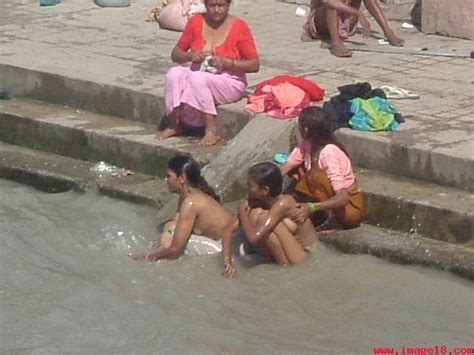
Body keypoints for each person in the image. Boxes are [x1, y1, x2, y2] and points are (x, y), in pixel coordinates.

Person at [158, 0, 260, 146]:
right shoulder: (196, 21)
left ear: (228, 5)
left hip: (229, 80)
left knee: (197, 78)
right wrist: (190, 56)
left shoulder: (240, 27)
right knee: (173, 74)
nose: (217, 10)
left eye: (221, 6)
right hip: (199, 72)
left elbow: (254, 65)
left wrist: (227, 62)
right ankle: (175, 124)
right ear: (205, 5)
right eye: (212, 6)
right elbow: (176, 55)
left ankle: (211, 129)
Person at [222, 162, 319, 278]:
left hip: (310, 257)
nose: (248, 190)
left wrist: (242, 212)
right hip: (293, 255)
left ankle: (289, 273)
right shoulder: (255, 201)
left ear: (265, 190)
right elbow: (228, 230)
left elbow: (254, 237)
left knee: (265, 221)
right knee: (260, 218)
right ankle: (283, 271)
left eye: (251, 186)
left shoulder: (284, 203)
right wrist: (228, 263)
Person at [132, 155, 235, 261]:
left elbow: (176, 250)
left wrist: (147, 257)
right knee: (169, 228)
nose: (166, 180)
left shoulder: (191, 202)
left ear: (182, 179)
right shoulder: (186, 196)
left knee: (170, 237)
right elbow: (174, 225)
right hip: (226, 241)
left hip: (226, 247)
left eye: (169, 176)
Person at [280, 106, 365, 229]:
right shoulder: (306, 144)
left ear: (305, 129)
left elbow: (342, 197)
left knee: (315, 176)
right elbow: (286, 167)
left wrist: (311, 207)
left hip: (346, 207)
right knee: (297, 170)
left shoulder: (329, 152)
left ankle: (327, 218)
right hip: (322, 198)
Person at [301, 0, 404, 57]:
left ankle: (388, 31)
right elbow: (329, 2)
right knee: (332, 5)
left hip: (345, 21)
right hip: (322, 23)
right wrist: (358, 13)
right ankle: (335, 42)